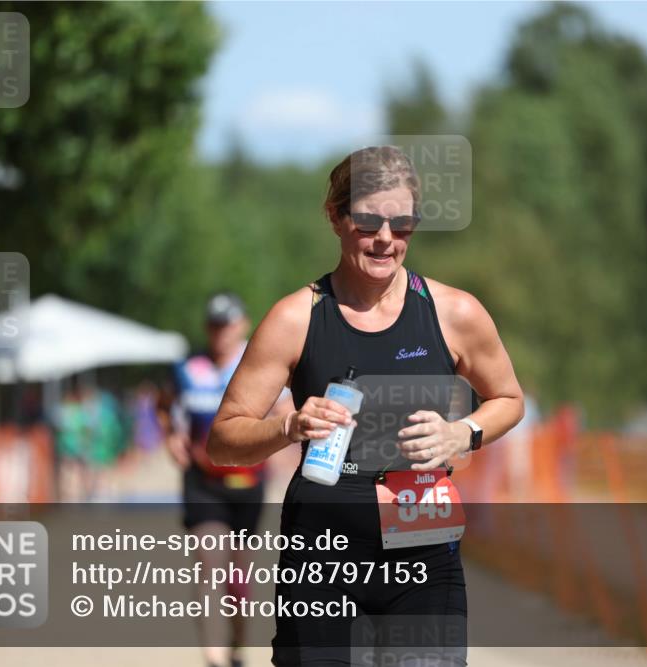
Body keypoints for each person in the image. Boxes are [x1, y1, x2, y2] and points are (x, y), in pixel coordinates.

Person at [208, 145, 525, 666]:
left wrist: (461, 433)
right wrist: (289, 425)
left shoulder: (454, 312)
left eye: (402, 225)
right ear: (335, 217)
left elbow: (508, 398)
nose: (385, 239)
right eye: (368, 222)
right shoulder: (296, 318)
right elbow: (223, 440)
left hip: (423, 557)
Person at [157, 292, 293, 667]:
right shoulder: (187, 367)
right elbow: (163, 403)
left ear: (243, 325)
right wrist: (171, 436)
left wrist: (278, 440)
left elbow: (286, 409)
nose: (221, 333)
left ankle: (237, 646)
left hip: (248, 480)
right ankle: (213, 657)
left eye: (227, 325)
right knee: (209, 564)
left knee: (237, 577)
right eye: (214, 325)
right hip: (202, 480)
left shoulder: (257, 362)